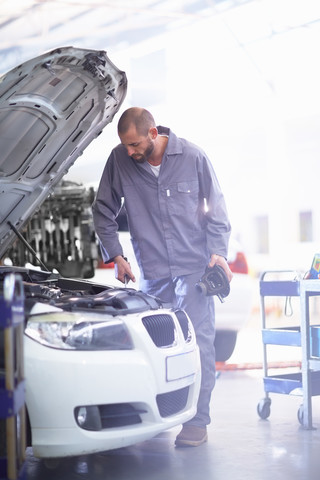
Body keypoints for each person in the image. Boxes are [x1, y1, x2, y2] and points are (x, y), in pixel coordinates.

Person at [92, 107, 232, 447]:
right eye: (126, 145)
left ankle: (196, 422)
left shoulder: (193, 156)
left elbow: (216, 207)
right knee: (156, 349)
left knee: (198, 345)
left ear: (153, 134)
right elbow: (103, 210)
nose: (131, 152)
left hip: (194, 268)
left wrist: (219, 251)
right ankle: (160, 416)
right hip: (152, 274)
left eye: (135, 144)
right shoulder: (120, 161)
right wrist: (116, 254)